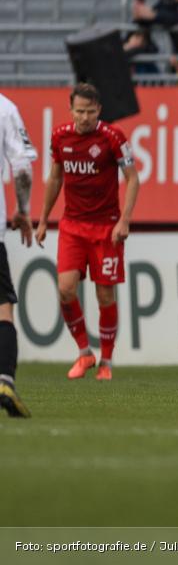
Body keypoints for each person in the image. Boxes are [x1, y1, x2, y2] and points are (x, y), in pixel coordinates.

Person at [35, 84, 141, 382]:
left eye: (90, 112)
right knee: (66, 287)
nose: (84, 118)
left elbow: (133, 179)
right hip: (72, 225)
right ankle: (84, 353)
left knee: (104, 294)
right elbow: (55, 177)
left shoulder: (113, 137)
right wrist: (43, 219)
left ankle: (106, 360)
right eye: (79, 111)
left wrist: (125, 220)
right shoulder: (60, 136)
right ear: (71, 110)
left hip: (106, 227)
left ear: (99, 111)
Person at [0, 92, 37, 417]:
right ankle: (5, 381)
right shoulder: (5, 109)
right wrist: (23, 210)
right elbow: (22, 168)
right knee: (2, 310)